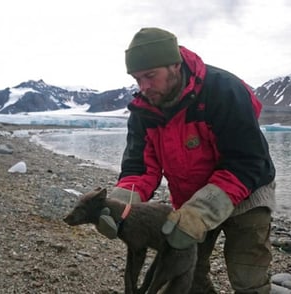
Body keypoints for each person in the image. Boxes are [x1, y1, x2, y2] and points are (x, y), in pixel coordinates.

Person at [97, 27, 276, 293]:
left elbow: (246, 163)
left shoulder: (223, 91)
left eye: (150, 76)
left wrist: (200, 214)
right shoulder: (144, 110)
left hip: (248, 190)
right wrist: (119, 206)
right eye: (137, 79)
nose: (144, 87)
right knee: (186, 273)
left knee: (248, 274)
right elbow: (139, 168)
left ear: (174, 65)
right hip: (190, 198)